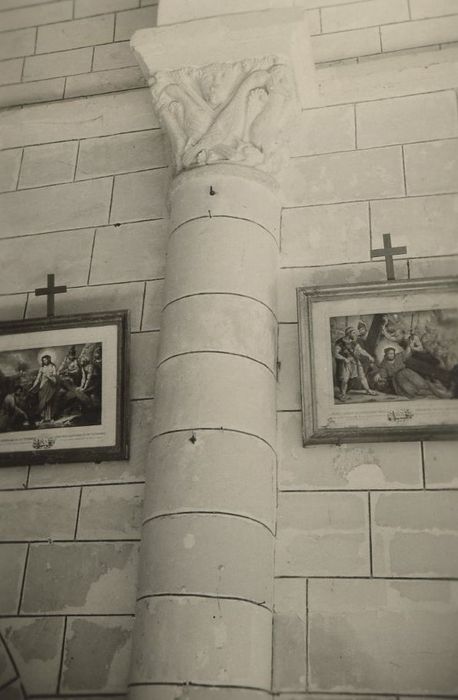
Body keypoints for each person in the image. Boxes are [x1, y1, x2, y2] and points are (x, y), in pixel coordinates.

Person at [377, 346, 450, 400]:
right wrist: (381, 381)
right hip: (397, 379)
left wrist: (410, 345)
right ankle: (429, 395)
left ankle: (438, 393)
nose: (391, 355)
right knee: (412, 391)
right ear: (386, 355)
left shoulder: (399, 356)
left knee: (422, 384)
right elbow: (384, 377)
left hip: (407, 372)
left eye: (392, 353)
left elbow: (407, 351)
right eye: (389, 354)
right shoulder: (383, 365)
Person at [334, 327, 377, 401]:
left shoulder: (353, 342)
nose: (355, 334)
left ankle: (368, 390)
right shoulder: (340, 342)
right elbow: (335, 354)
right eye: (354, 333)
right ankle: (343, 394)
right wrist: (344, 359)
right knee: (345, 379)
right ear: (348, 333)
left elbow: (361, 350)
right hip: (346, 363)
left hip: (355, 361)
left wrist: (369, 356)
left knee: (362, 376)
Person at [30, 354, 57, 422]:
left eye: (45, 360)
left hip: (50, 386)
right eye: (43, 360)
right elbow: (38, 378)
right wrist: (33, 386)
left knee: (49, 401)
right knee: (42, 402)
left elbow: (55, 376)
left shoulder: (53, 366)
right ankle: (43, 418)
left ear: (48, 359)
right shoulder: (42, 368)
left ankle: (50, 417)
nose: (44, 361)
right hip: (42, 386)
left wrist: (49, 377)